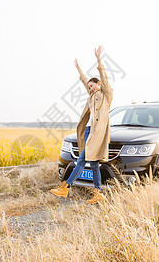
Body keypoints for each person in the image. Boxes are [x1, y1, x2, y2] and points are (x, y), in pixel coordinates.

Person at [50, 45, 113, 204]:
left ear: (99, 84)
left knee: (82, 160)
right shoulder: (91, 96)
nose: (90, 89)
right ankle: (98, 192)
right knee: (93, 164)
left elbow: (103, 77)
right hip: (88, 131)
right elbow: (85, 81)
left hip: (97, 133)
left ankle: (65, 186)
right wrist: (78, 68)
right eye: (89, 87)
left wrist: (98, 59)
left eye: (93, 86)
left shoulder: (106, 94)